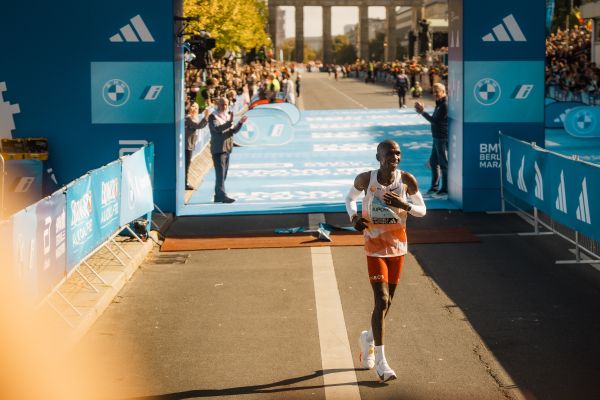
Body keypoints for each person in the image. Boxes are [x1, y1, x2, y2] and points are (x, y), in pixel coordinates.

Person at [345, 140, 426, 382]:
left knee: (387, 303)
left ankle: (367, 338)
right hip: (374, 246)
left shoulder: (407, 180)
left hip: (398, 247)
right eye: (390, 153)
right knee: (380, 299)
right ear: (378, 156)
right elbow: (349, 198)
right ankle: (381, 362)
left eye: (398, 153)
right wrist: (353, 217)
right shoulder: (365, 179)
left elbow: (422, 210)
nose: (395, 157)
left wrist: (404, 205)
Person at [208, 97, 248, 203]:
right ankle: (222, 195)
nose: (224, 106)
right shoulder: (213, 116)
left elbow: (233, 131)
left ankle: (218, 195)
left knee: (223, 174)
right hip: (218, 148)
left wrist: (240, 123)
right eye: (222, 104)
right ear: (218, 104)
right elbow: (217, 129)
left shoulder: (227, 116)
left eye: (225, 104)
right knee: (220, 174)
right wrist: (229, 122)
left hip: (227, 148)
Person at [415, 83, 448, 197]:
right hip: (437, 137)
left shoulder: (445, 105)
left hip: (442, 138)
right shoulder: (439, 104)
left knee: (443, 163)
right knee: (434, 163)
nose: (434, 94)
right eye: (433, 92)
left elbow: (435, 121)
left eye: (437, 91)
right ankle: (434, 187)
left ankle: (444, 189)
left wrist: (422, 112)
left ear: (443, 91)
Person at [184, 103, 209, 190]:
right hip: (186, 146)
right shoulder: (188, 118)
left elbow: (199, 125)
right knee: (186, 165)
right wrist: (206, 117)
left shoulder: (191, 118)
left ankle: (185, 182)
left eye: (196, 107)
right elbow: (198, 126)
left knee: (187, 164)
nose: (194, 108)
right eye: (193, 106)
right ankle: (185, 183)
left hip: (189, 145)